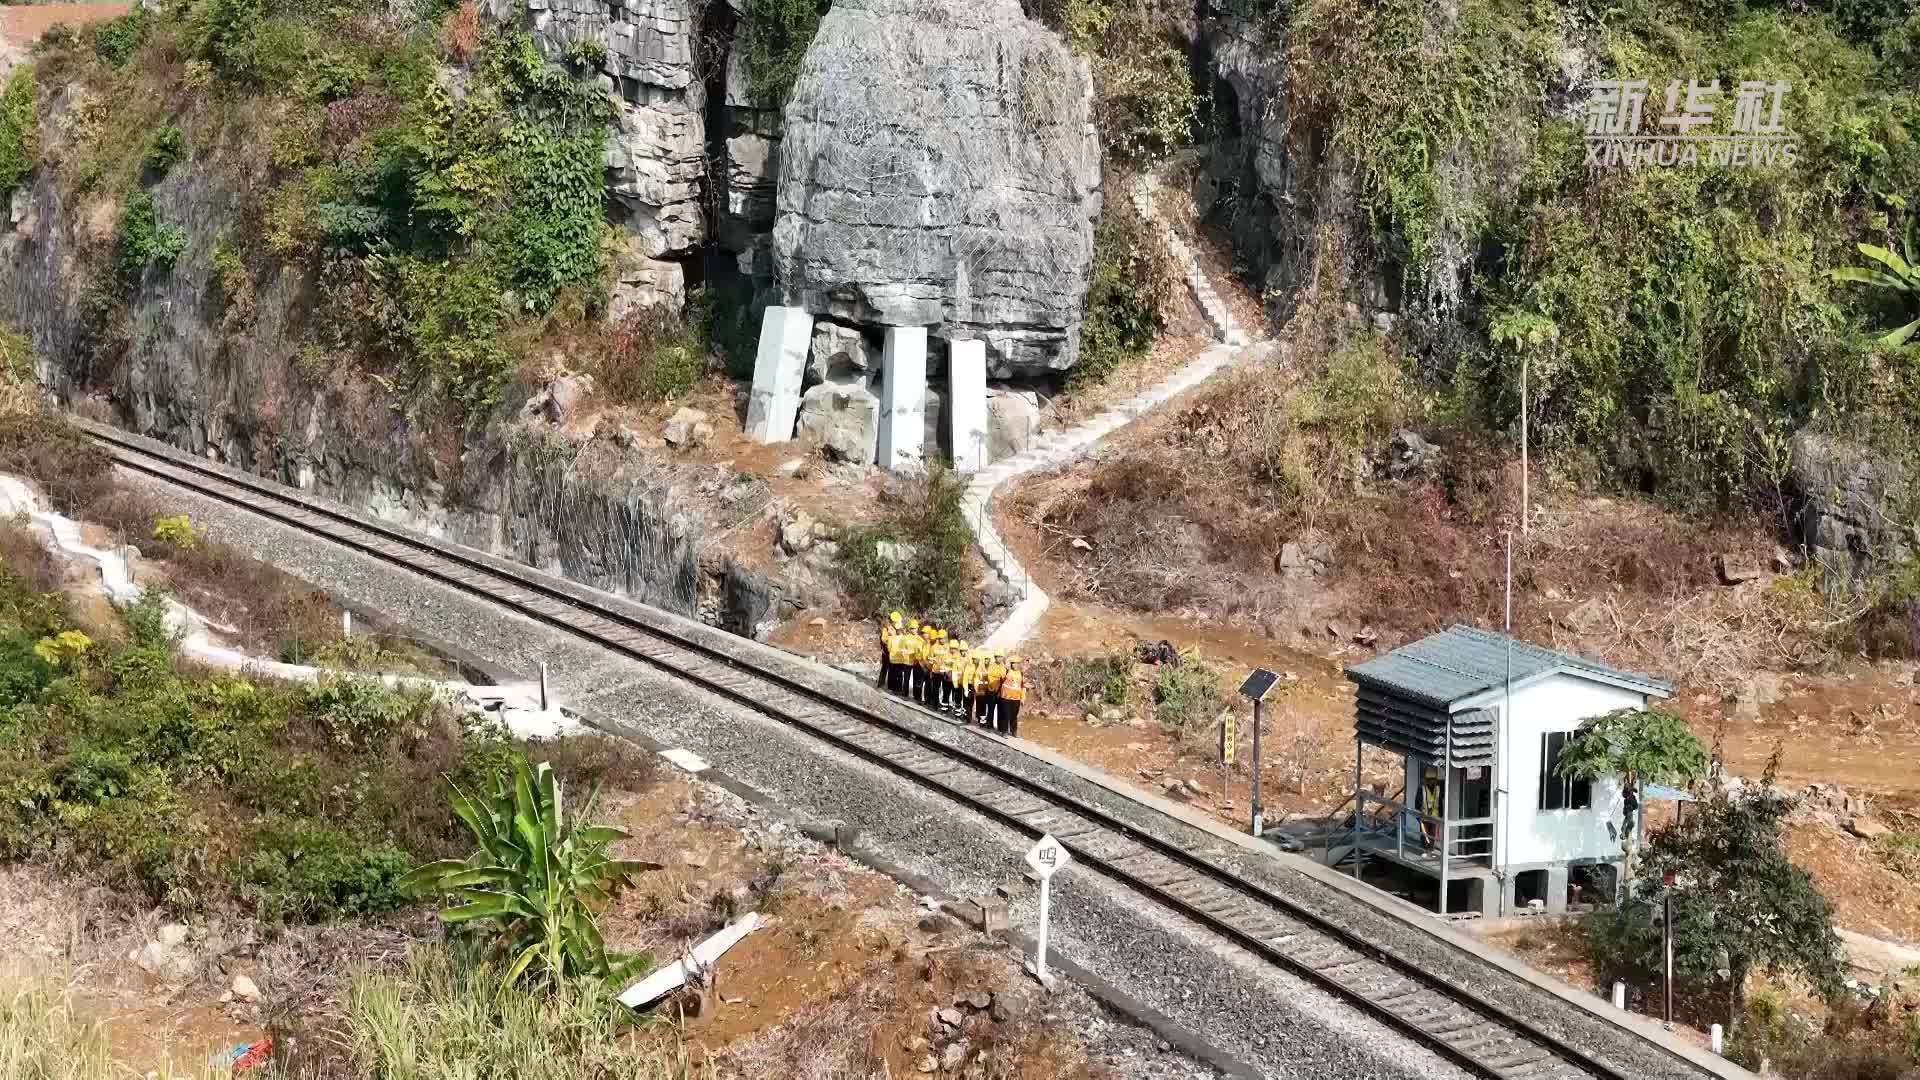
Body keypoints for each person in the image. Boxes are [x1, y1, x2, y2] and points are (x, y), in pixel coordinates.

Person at [998, 655, 1025, 737]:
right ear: (1011, 664)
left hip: (1016, 698)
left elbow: (1023, 686)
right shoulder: (1006, 671)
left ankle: (1014, 731)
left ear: (1019, 664)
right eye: (1013, 663)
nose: (1015, 665)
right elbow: (1000, 681)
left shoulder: (1021, 673)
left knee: (1014, 715)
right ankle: (1004, 731)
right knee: (1005, 714)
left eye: (1017, 664)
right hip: (1006, 697)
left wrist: (1023, 698)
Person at [980, 650, 1007, 730]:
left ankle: (1000, 727)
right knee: (991, 708)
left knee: (1000, 710)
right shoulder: (991, 666)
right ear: (995, 658)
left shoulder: (1004, 667)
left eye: (1001, 657)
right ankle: (989, 725)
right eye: (998, 657)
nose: (999, 659)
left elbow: (1005, 678)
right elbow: (989, 677)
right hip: (991, 690)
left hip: (1000, 691)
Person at [878, 611, 903, 690]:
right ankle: (881, 684)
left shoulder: (895, 628)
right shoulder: (886, 629)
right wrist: (890, 640)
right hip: (887, 651)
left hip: (894, 652)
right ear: (893, 621)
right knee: (885, 667)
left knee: (893, 670)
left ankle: (893, 686)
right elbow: (884, 639)